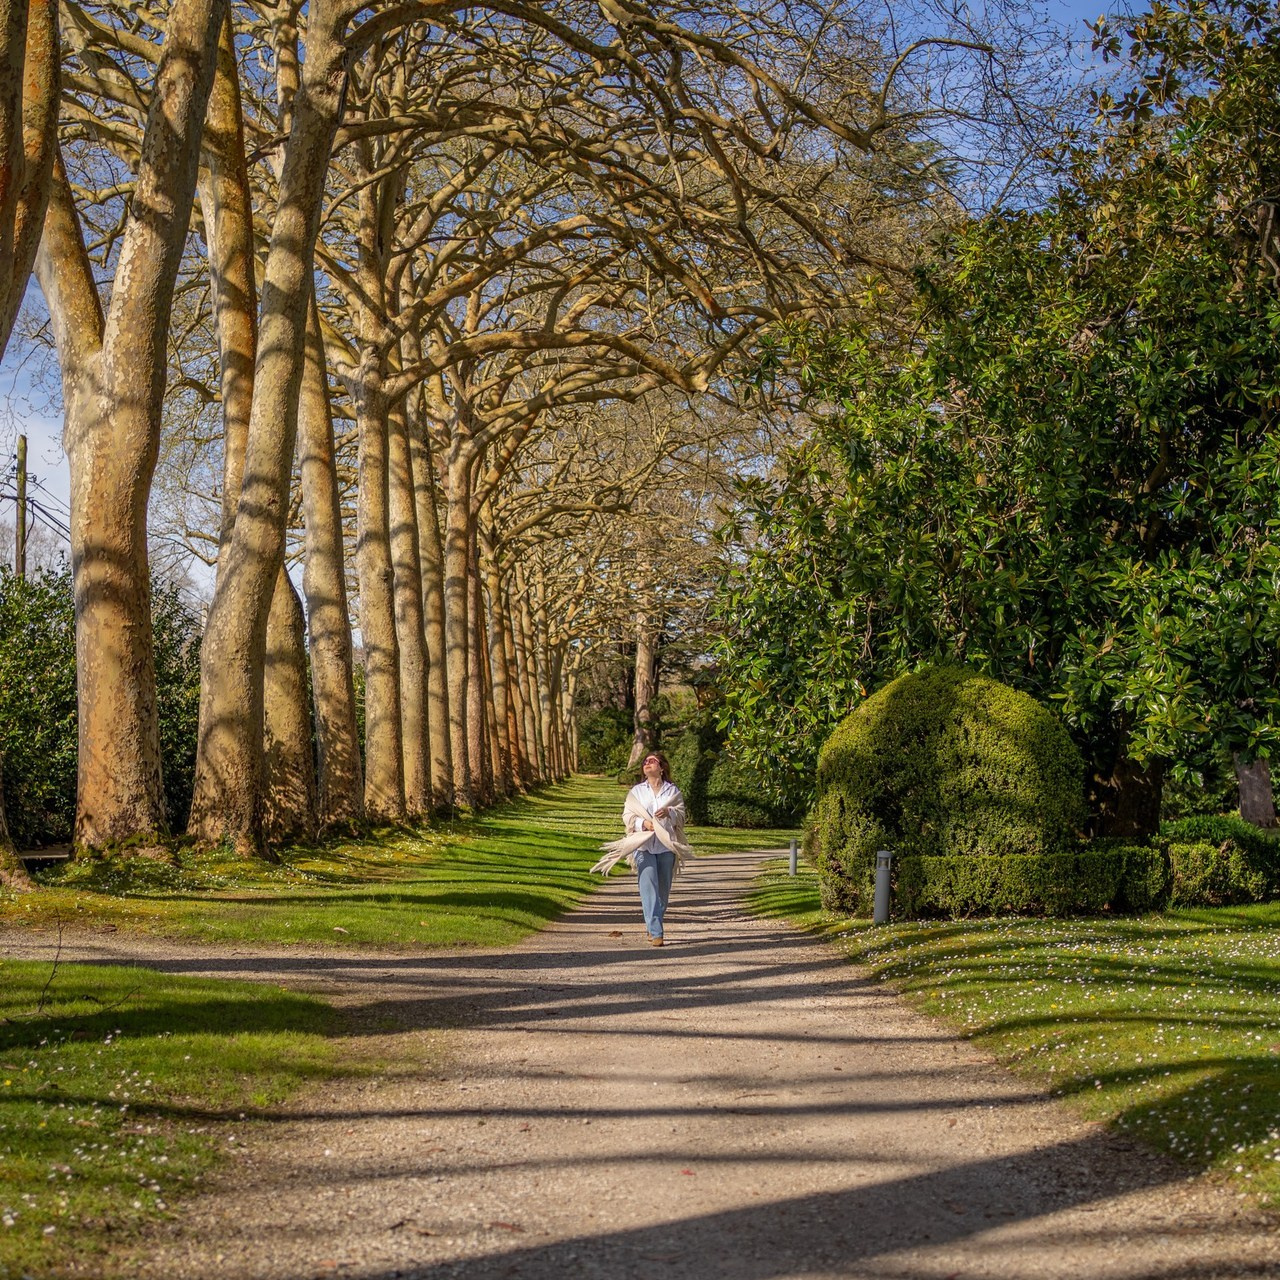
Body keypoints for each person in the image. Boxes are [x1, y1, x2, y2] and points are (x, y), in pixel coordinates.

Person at [590, 751, 692, 946]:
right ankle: (656, 931)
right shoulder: (636, 792)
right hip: (642, 845)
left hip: (666, 845)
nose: (648, 764)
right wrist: (644, 824)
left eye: (653, 761)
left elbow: (681, 817)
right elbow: (627, 817)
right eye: (645, 762)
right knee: (648, 888)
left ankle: (652, 923)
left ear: (662, 768)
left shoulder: (672, 792)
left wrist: (669, 812)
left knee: (662, 891)